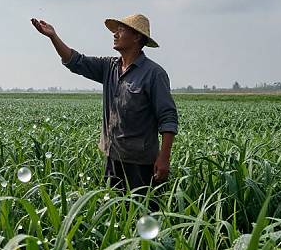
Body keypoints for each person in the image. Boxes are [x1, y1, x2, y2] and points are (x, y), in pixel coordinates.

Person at [31, 14, 178, 196]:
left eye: (121, 30)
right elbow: (76, 61)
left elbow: (168, 117)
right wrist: (53, 36)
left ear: (137, 37)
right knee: (115, 213)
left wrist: (164, 158)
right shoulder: (109, 67)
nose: (115, 34)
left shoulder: (154, 74)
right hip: (112, 158)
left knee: (142, 213)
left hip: (141, 163)